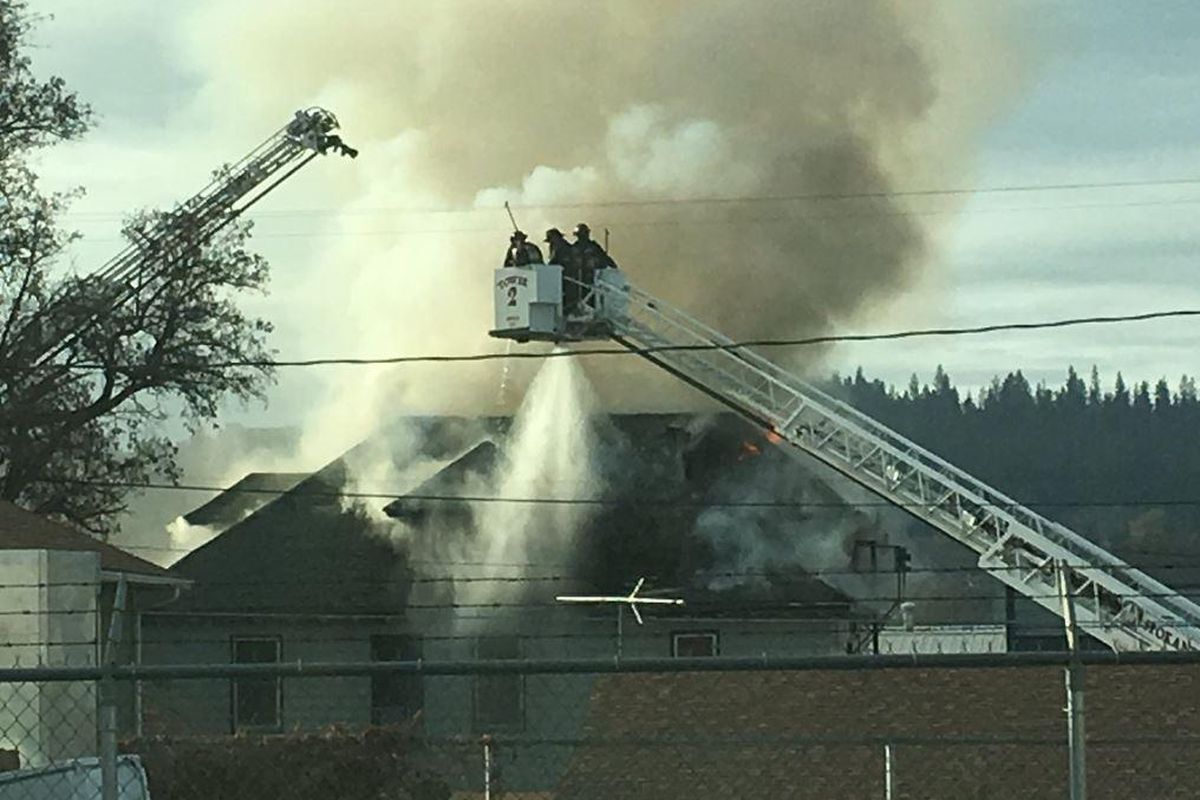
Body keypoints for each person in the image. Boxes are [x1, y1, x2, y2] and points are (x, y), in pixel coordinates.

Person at [571, 223, 616, 310]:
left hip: (591, 276)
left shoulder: (594, 247)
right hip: (577, 278)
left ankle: (591, 310)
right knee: (578, 296)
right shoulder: (573, 248)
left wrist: (612, 266)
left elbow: (604, 258)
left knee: (592, 296)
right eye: (580, 235)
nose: (582, 237)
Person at [545, 228, 582, 314]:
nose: (551, 242)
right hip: (562, 276)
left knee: (568, 296)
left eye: (552, 239)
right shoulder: (559, 246)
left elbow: (554, 261)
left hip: (567, 275)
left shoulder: (562, 247)